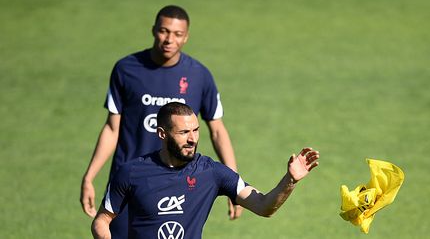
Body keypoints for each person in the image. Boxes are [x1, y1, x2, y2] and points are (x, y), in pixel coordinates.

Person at [80, 5, 241, 239]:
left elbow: (217, 130)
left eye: (177, 34)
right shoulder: (126, 69)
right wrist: (89, 176)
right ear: (154, 30)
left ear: (186, 37)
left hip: (177, 185)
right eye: (164, 31)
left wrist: (231, 184)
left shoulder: (199, 75)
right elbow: (112, 128)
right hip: (129, 184)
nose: (169, 39)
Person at [91, 102, 320, 239]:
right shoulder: (131, 172)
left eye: (196, 130)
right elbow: (102, 221)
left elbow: (263, 206)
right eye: (183, 133)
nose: (192, 139)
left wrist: (290, 180)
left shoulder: (212, 172)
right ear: (162, 134)